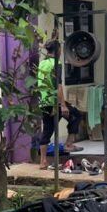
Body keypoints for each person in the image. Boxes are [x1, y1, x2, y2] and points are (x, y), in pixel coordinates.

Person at [30, 41, 83, 170]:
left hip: (44, 101)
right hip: (54, 101)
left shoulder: (42, 63)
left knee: (47, 130)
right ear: (58, 50)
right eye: (60, 49)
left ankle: (43, 161)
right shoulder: (56, 63)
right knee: (76, 115)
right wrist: (63, 105)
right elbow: (58, 86)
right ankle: (69, 144)